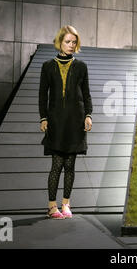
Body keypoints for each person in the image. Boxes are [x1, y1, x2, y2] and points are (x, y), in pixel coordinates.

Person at [39, 25, 93, 219]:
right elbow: (42, 95)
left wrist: (89, 115)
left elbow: (86, 94)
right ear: (59, 42)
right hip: (56, 122)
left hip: (76, 122)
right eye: (67, 41)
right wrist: (43, 117)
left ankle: (66, 205)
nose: (71, 45)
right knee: (57, 165)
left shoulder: (81, 67)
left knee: (70, 165)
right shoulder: (47, 66)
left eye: (74, 42)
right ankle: (52, 207)